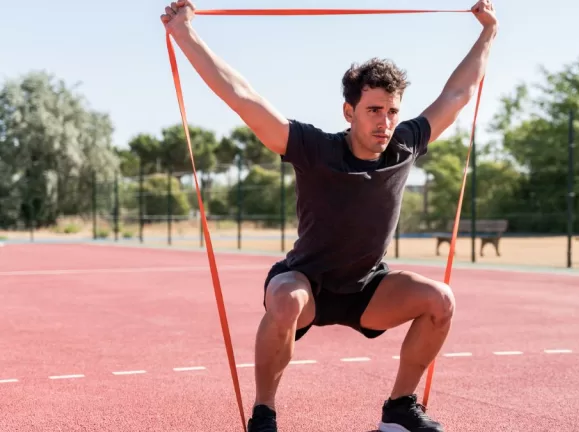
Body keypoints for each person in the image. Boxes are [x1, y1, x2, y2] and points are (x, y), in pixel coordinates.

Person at [161, 1, 497, 431]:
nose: (386, 121)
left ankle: (398, 409)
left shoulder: (405, 145)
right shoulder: (314, 148)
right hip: (307, 284)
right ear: (349, 111)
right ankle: (264, 414)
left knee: (440, 301)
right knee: (284, 300)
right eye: (374, 110)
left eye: (392, 111)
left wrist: (488, 32)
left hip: (367, 289)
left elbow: (457, 94)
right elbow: (242, 97)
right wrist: (184, 32)